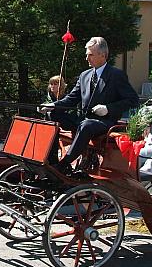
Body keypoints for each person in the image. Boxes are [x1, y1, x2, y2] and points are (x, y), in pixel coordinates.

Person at [42, 37, 139, 175]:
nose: (87, 58)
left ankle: (64, 163)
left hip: (103, 123)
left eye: (90, 55)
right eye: (86, 54)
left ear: (103, 55)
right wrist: (53, 105)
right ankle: (51, 160)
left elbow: (132, 100)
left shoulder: (116, 75)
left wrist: (108, 109)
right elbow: (71, 99)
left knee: (86, 125)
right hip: (83, 120)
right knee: (52, 114)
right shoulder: (84, 75)